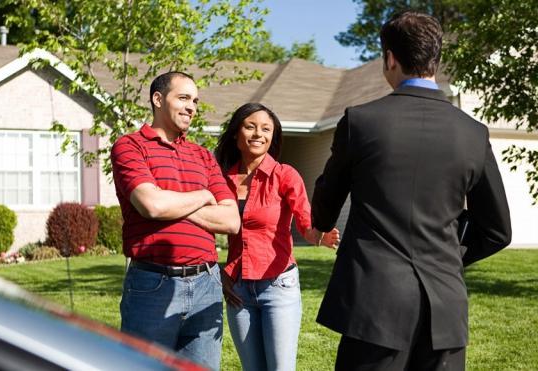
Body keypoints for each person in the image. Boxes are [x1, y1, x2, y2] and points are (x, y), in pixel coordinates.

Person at [311, 10, 512, 371]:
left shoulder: (361, 121)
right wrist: (449, 256)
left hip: (373, 307)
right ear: (435, 58)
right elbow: (498, 232)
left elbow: (324, 213)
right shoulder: (473, 133)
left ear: (390, 58)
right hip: (445, 312)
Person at [110, 71, 240, 370]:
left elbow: (231, 220)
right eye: (183, 98)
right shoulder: (130, 146)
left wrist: (173, 202)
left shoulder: (203, 156)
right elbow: (151, 205)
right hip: (152, 284)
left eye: (195, 101)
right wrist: (204, 195)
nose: (191, 107)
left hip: (207, 282)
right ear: (158, 99)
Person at [214, 103, 340, 371]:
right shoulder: (222, 180)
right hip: (238, 289)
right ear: (236, 135)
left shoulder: (284, 175)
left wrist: (320, 235)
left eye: (266, 129)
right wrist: (219, 274)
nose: (258, 134)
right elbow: (204, 229)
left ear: (272, 137)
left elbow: (305, 219)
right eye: (250, 126)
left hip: (278, 286)